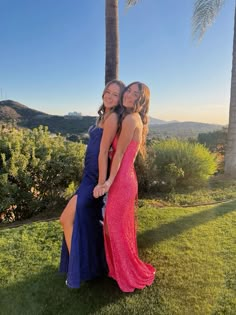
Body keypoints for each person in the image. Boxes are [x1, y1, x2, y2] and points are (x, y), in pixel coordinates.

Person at [59, 79, 125, 288]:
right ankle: (94, 266)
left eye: (115, 94)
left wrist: (100, 184)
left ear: (120, 99)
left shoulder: (113, 117)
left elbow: (104, 152)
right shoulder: (103, 116)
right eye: (108, 91)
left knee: (65, 219)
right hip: (87, 176)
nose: (110, 96)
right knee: (87, 222)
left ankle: (76, 268)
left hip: (93, 180)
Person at [93, 82, 156, 292]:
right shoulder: (131, 118)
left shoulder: (130, 119)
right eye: (128, 90)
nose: (129, 95)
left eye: (135, 94)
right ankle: (118, 269)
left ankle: (127, 274)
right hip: (124, 179)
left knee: (116, 229)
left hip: (122, 181)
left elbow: (119, 154)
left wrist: (108, 182)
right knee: (114, 227)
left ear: (141, 100)